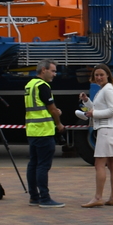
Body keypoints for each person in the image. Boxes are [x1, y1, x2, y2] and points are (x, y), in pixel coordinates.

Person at [76, 64, 113, 207]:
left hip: (106, 130)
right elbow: (100, 108)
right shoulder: (105, 90)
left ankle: (98, 197)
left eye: (101, 75)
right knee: (112, 164)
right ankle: (112, 197)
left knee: (99, 164)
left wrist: (94, 114)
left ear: (108, 76)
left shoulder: (108, 90)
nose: (98, 77)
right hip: (112, 129)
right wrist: (87, 101)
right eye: (96, 75)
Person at [23, 61, 65, 208]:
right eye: (52, 71)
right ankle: (45, 198)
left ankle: (34, 197)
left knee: (33, 164)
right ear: (43, 70)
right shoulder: (43, 86)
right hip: (44, 130)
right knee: (43, 166)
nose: (54, 74)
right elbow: (51, 109)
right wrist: (58, 123)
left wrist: (53, 111)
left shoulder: (30, 85)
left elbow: (38, 106)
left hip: (32, 130)